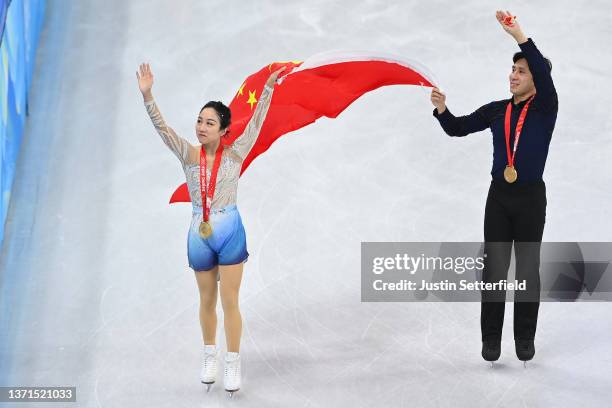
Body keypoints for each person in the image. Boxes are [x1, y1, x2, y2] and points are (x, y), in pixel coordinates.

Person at [137, 62, 285, 394]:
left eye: (210, 123)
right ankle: (209, 355)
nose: (201, 127)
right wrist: (148, 96)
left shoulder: (236, 154)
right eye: (200, 121)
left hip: (230, 230)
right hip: (199, 233)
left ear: (223, 130)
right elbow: (163, 129)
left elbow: (259, 122)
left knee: (230, 301)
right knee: (206, 300)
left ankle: (233, 361)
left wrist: (269, 89)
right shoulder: (189, 155)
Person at [430, 11, 557, 364]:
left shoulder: (546, 107)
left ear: (536, 79)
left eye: (522, 71)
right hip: (499, 198)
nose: (514, 76)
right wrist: (442, 110)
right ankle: (490, 339)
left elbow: (543, 74)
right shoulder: (496, 110)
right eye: (513, 70)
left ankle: (525, 338)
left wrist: (519, 36)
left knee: (528, 268)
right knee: (495, 269)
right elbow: (458, 128)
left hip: (530, 198)